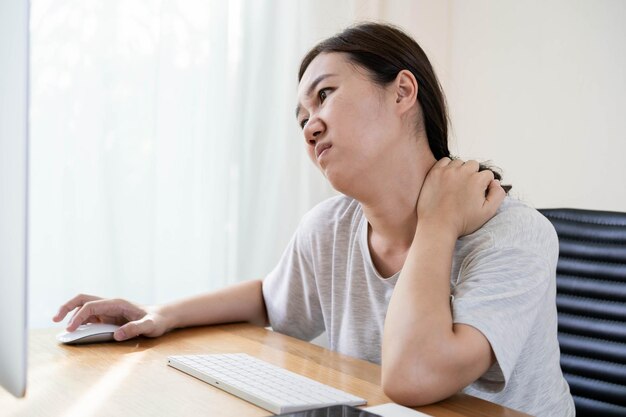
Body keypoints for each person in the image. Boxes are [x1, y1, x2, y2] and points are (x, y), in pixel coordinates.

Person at [53, 22, 574, 417]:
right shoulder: (332, 226)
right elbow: (269, 299)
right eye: (301, 118)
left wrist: (437, 225)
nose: (309, 127)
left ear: (402, 92)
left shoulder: (513, 234)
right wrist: (160, 313)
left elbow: (414, 378)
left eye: (324, 95)